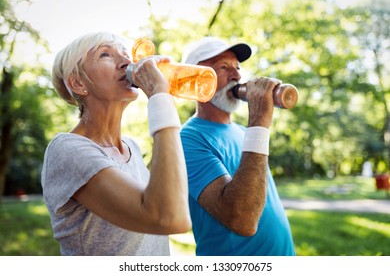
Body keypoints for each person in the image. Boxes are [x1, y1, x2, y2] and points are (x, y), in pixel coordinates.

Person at [41, 32, 191, 256]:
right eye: (105, 54)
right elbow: (169, 217)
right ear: (78, 83)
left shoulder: (132, 147)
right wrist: (160, 97)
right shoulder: (67, 150)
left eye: (125, 54)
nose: (127, 62)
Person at [180, 37, 295, 256]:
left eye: (238, 67)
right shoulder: (188, 138)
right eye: (223, 67)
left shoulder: (246, 132)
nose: (237, 76)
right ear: (194, 81)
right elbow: (243, 219)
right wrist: (260, 120)